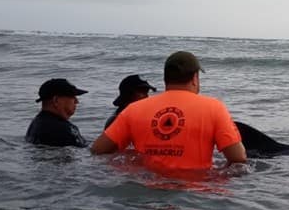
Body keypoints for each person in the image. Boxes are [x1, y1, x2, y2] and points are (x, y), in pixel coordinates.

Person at [91, 51, 246, 171]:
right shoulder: (214, 108)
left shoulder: (134, 109)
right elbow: (238, 159)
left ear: (166, 79)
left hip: (145, 192)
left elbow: (98, 150)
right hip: (194, 198)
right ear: (194, 78)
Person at [25, 78, 88, 147]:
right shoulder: (62, 129)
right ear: (56, 100)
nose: (77, 101)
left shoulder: (36, 124)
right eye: (72, 97)